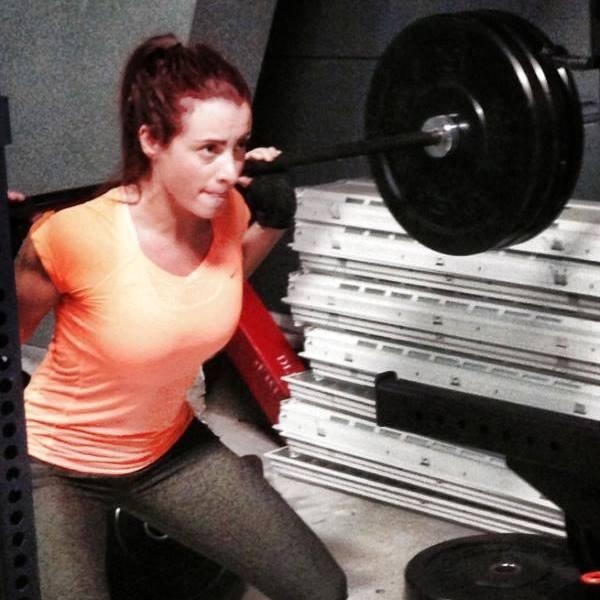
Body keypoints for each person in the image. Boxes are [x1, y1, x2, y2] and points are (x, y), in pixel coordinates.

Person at [14, 33, 347, 600]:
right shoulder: (72, 235)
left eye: (239, 147)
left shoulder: (228, 208)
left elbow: (214, 283)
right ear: (151, 140)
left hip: (165, 451)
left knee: (320, 589)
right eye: (208, 149)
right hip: (56, 465)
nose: (229, 169)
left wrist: (271, 220)